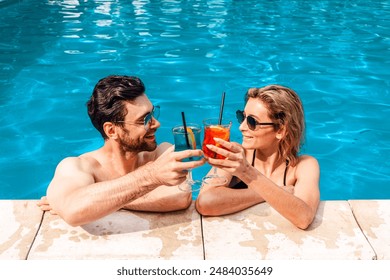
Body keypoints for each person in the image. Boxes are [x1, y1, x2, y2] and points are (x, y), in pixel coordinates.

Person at [37, 75, 205, 226]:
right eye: (144, 120)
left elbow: (180, 197)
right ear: (112, 131)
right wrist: (151, 176)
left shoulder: (161, 152)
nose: (156, 124)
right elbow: (74, 211)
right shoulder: (77, 166)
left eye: (153, 114)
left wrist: (106, 202)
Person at [195, 85, 320, 230]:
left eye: (252, 122)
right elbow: (205, 203)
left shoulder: (304, 165)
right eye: (242, 117)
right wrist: (272, 192)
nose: (241, 127)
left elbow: (303, 218)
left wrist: (247, 173)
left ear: (280, 130)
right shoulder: (238, 154)